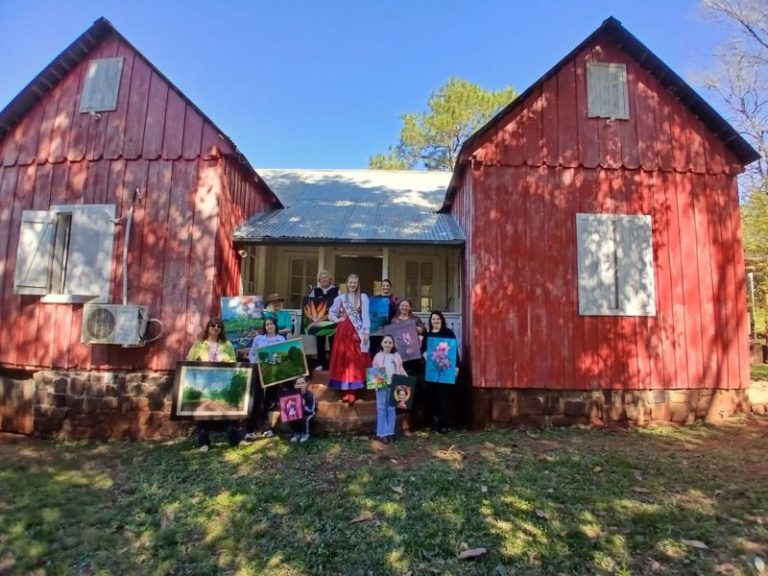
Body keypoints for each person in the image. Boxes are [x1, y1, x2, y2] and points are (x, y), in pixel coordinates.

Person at [186, 317, 238, 452]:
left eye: (218, 326)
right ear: (208, 327)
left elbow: (234, 361)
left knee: (226, 409)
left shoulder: (227, 345)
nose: (215, 328)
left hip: (222, 382)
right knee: (203, 411)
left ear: (221, 329)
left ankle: (233, 439)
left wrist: (225, 358)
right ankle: (204, 442)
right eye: (213, 325)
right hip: (203, 382)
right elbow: (189, 361)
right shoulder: (198, 344)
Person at [328, 273, 371, 403]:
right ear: (347, 283)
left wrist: (366, 332)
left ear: (358, 284)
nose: (352, 285)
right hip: (343, 332)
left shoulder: (363, 298)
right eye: (350, 282)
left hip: (356, 331)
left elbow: (365, 316)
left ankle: (353, 391)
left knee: (355, 360)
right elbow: (331, 313)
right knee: (344, 360)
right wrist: (338, 319)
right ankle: (345, 390)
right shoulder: (340, 298)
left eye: (355, 283)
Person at [244, 317, 285, 440]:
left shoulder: (281, 339)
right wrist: (256, 365)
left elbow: (283, 356)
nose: (269, 326)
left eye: (271, 324)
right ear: (264, 327)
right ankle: (250, 430)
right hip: (260, 372)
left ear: (275, 326)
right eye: (267, 325)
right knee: (257, 400)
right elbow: (252, 354)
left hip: (274, 374)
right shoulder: (258, 339)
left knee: (270, 402)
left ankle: (266, 429)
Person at [421, 310, 460, 433]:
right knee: (432, 397)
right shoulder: (427, 335)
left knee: (444, 398)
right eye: (433, 319)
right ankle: (435, 423)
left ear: (441, 320)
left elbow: (454, 351)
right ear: (430, 321)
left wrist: (457, 367)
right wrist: (424, 354)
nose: (435, 321)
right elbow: (423, 349)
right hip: (432, 372)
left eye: (437, 319)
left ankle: (446, 423)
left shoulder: (448, 333)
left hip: (445, 371)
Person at [371, 335, 407, 443]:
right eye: (385, 342)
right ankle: (382, 433)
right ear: (382, 343)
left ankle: (390, 432)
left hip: (394, 385)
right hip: (382, 385)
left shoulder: (396, 356)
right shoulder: (377, 356)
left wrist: (405, 379)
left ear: (393, 344)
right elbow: (374, 370)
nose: (387, 344)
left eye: (390, 342)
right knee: (381, 408)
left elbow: (400, 369)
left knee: (391, 409)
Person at [308, 269, 339, 371]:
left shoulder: (336, 290)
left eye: (326, 277)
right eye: (322, 278)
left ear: (330, 279)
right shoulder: (315, 291)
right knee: (320, 343)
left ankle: (333, 365)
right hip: (319, 321)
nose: (324, 279)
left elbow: (342, 305)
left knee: (333, 343)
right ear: (319, 280)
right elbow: (309, 304)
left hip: (333, 321)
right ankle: (321, 364)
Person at [287, 376, 317, 442]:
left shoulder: (310, 395)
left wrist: (303, 405)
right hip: (299, 412)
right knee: (291, 416)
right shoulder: (293, 395)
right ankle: (296, 433)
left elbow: (311, 409)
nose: (301, 385)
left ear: (306, 384)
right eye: (298, 384)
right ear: (295, 386)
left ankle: (305, 434)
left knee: (305, 418)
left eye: (302, 383)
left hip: (309, 412)